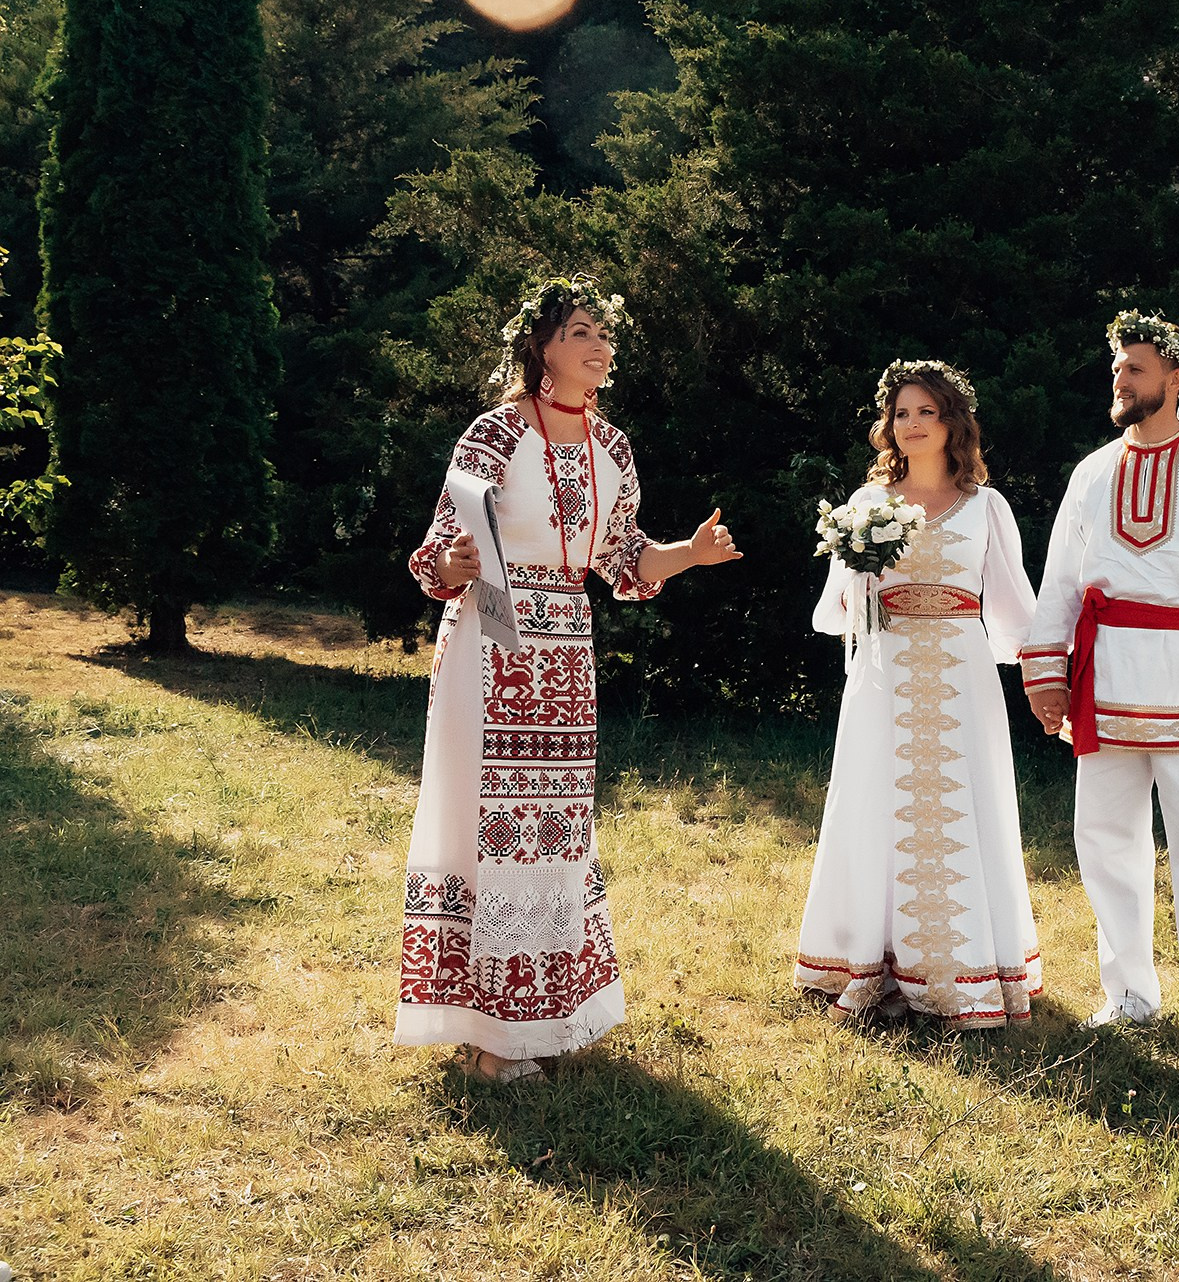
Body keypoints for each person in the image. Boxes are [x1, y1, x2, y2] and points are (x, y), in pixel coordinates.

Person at [397, 275, 741, 1083]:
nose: (600, 345)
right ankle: (489, 1037)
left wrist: (688, 553)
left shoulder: (614, 448)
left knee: (552, 831)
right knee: (488, 828)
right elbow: (436, 555)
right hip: (489, 647)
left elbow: (625, 561)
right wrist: (452, 562)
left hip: (565, 655)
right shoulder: (493, 433)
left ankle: (543, 1018)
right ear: (542, 347)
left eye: (603, 333)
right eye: (583, 331)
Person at [1021, 312, 1179, 1061]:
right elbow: (1061, 578)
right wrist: (1046, 672)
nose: (1120, 381)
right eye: (1117, 369)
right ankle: (1128, 993)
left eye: (1136, 369)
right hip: (1105, 683)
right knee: (1103, 841)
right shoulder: (1091, 472)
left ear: (1176, 380)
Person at [795, 360, 1044, 1027]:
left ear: (951, 421)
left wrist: (1050, 667)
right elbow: (839, 608)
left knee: (965, 806)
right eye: (900, 414)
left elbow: (1016, 607)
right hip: (887, 672)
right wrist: (864, 577)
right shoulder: (867, 506)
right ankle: (872, 961)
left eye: (925, 412)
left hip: (962, 672)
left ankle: (962, 968)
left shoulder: (987, 506)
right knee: (880, 805)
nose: (910, 425)